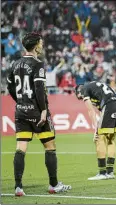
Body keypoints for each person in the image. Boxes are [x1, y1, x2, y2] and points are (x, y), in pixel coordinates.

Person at [6, 32, 72, 196]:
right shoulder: (37, 64)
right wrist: (43, 110)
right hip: (37, 111)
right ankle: (53, 185)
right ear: (36, 45)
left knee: (21, 148)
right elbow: (39, 89)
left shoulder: (15, 64)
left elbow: (10, 87)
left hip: (21, 111)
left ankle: (18, 187)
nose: (42, 45)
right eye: (41, 43)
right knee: (50, 147)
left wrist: (20, 101)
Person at [75, 81, 116, 180]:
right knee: (110, 139)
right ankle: (110, 172)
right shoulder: (96, 88)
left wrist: (96, 130)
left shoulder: (84, 88)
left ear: (79, 91)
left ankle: (102, 173)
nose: (82, 100)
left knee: (99, 139)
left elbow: (91, 111)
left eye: (81, 98)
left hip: (110, 106)